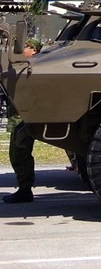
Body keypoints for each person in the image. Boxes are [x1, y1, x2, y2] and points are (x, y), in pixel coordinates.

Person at [5, 44, 37, 204]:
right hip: (16, 115)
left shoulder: (35, 69)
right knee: (15, 153)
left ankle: (25, 189)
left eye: (27, 46)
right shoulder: (22, 67)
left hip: (23, 117)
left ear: (34, 50)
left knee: (20, 152)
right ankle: (24, 188)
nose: (22, 49)